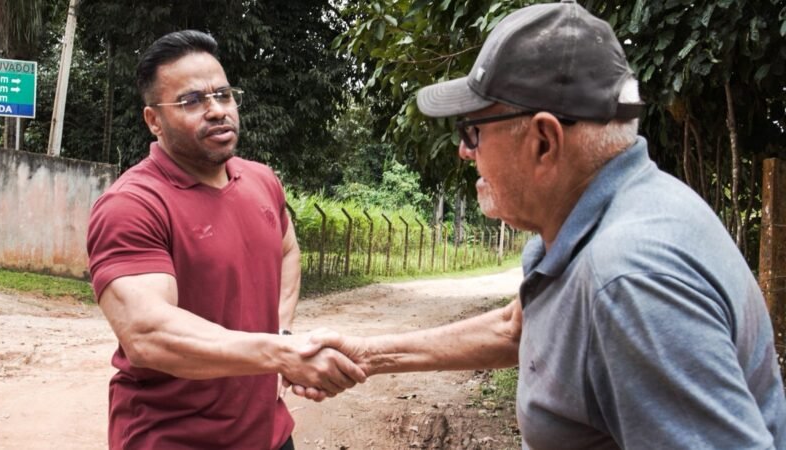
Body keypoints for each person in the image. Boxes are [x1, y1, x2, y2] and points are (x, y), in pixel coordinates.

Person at [296, 1, 786, 448]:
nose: (465, 151)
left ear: (544, 141)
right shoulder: (609, 216)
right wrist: (368, 354)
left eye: (473, 131)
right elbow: (519, 328)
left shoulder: (630, 283)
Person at [87, 30, 366, 450]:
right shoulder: (133, 205)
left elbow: (287, 248)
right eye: (192, 101)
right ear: (153, 120)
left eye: (223, 95)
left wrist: (283, 334)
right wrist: (279, 355)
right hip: (173, 439)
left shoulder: (261, 180)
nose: (216, 110)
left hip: (269, 433)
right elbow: (148, 335)